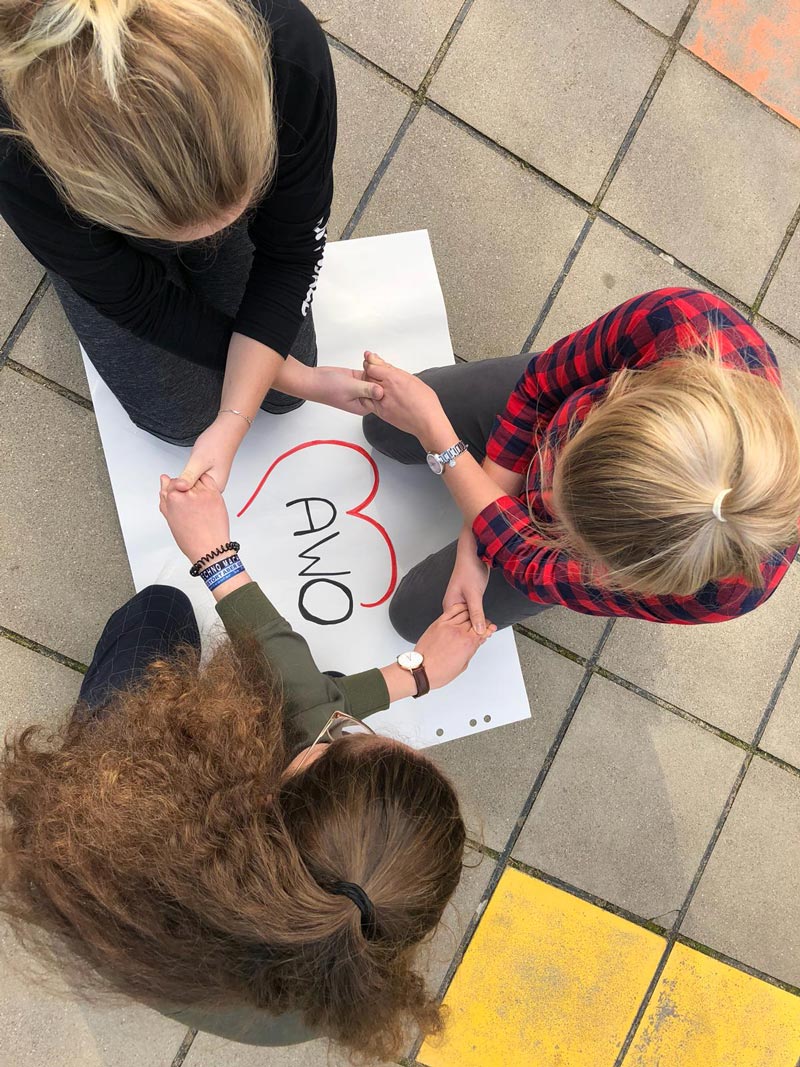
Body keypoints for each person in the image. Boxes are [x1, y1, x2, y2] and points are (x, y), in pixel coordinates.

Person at [0, 473, 495, 1059]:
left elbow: (309, 701)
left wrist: (216, 558)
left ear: (259, 797)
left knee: (159, 613)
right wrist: (414, 675)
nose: (338, 722)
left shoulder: (127, 819)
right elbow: (315, 705)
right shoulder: (339, 969)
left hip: (113, 814)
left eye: (338, 740)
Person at [0, 0, 379, 492]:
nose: (214, 242)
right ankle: (77, 251)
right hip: (66, 198)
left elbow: (292, 249)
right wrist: (284, 378)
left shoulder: (286, 43)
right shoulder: (15, 144)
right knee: (183, 419)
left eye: (240, 206)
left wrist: (268, 397)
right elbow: (136, 300)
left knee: (280, 388)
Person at [360, 287, 800, 640]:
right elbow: (537, 390)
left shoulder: (722, 593)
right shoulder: (683, 322)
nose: (543, 497)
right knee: (382, 427)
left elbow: (536, 566)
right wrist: (474, 543)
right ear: (625, 394)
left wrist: (441, 439)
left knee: (412, 619)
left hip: (563, 532)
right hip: (542, 406)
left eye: (571, 534)